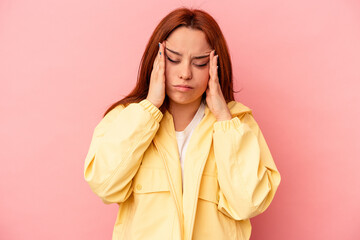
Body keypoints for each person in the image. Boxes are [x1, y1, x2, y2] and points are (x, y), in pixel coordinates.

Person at [84, 7, 281, 240]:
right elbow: (103, 184)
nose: (185, 73)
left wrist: (224, 119)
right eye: (174, 59)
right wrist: (149, 108)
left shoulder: (238, 123)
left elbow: (248, 203)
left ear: (216, 67)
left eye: (199, 63)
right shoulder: (126, 118)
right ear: (155, 60)